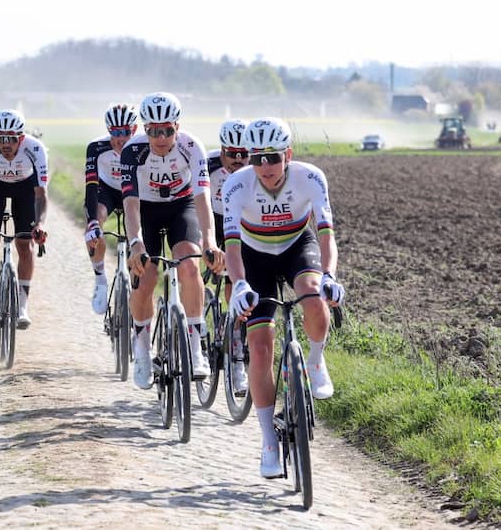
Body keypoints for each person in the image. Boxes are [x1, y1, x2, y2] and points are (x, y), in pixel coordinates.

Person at [223, 117, 346, 479]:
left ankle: (315, 361)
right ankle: (268, 443)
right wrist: (240, 285)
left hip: (296, 246)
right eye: (256, 158)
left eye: (272, 158)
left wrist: (330, 276)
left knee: (313, 295)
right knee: (260, 347)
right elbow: (231, 247)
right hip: (254, 257)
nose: (264, 167)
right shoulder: (236, 185)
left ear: (288, 154)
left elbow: (325, 235)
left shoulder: (310, 177)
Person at [122, 91, 225, 389]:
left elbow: (202, 198)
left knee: (190, 267)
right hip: (147, 211)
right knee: (146, 277)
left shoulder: (192, 148)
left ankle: (195, 345)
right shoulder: (133, 151)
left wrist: (209, 240)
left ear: (177, 127)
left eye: (167, 130)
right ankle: (142, 346)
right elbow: (130, 204)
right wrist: (136, 242)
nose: (161, 137)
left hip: (182, 207)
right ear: (145, 129)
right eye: (153, 131)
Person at [0, 109, 49, 329]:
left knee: (25, 245)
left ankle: (23, 306)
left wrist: (40, 223)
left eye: (11, 139)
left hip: (25, 190)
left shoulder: (36, 149)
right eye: (1, 139)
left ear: (21, 138)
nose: (6, 145)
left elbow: (41, 194)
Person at [206, 119, 250, 393]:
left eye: (243, 154)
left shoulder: (257, 168)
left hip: (242, 223)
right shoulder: (208, 165)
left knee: (238, 278)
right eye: (231, 153)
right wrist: (207, 245)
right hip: (212, 220)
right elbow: (191, 202)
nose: (237, 159)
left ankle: (236, 349)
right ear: (221, 150)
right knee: (196, 270)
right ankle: (194, 331)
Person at [84, 103, 139, 314]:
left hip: (133, 192)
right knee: (95, 223)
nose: (120, 138)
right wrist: (92, 223)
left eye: (125, 132)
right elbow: (90, 186)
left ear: (134, 130)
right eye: (115, 132)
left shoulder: (143, 146)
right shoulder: (96, 148)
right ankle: (100, 280)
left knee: (140, 236)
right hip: (106, 191)